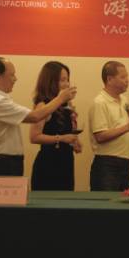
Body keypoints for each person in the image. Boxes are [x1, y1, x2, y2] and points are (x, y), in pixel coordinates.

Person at [0, 57, 77, 176]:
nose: (15, 79)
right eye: (12, 75)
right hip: (4, 160)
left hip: (8, 159)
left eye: (67, 80)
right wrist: (60, 99)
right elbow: (34, 117)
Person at [89, 61, 129, 191]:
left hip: (124, 163)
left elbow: (121, 129)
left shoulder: (124, 99)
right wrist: (128, 126)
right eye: (123, 77)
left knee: (124, 202)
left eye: (127, 76)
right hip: (107, 165)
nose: (127, 80)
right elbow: (100, 136)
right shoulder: (100, 102)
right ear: (109, 79)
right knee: (107, 203)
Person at [29, 61, 81, 191]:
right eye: (62, 80)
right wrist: (61, 138)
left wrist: (74, 141)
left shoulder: (66, 105)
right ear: (50, 82)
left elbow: (66, 132)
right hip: (49, 164)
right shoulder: (44, 105)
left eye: (67, 80)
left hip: (66, 163)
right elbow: (34, 137)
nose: (67, 84)